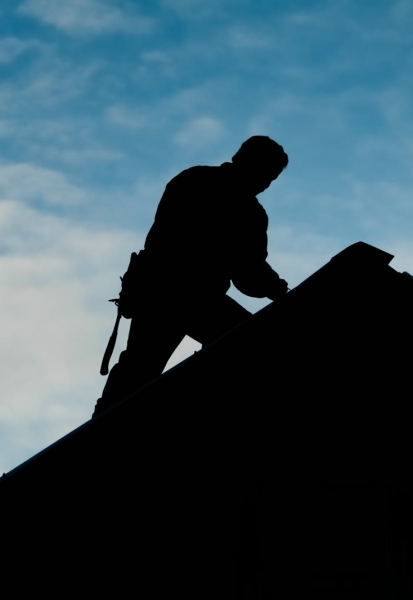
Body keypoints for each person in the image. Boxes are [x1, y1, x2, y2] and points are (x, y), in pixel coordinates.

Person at [93, 136, 289, 418]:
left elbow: (248, 272)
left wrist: (271, 286)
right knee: (245, 343)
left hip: (171, 292)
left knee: (139, 366)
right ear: (245, 161)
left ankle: (106, 420)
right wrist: (277, 289)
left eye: (271, 178)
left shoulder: (197, 181)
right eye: (265, 173)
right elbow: (247, 271)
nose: (265, 183)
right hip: (177, 293)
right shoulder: (237, 204)